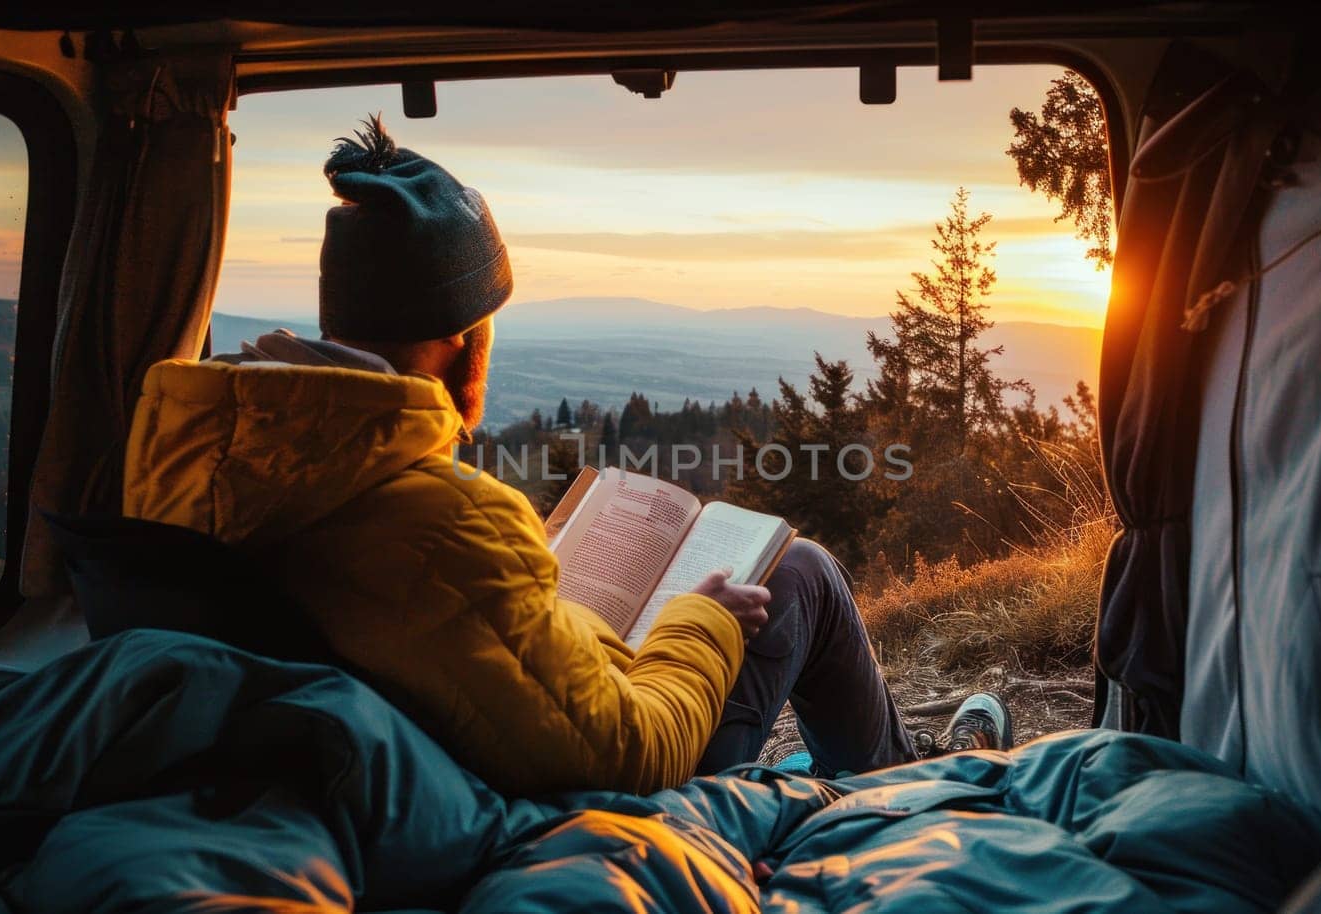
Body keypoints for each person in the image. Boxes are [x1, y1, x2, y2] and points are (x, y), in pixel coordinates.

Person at [122, 115, 1012, 795]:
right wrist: (691, 622)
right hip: (557, 803)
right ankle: (904, 787)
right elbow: (632, 753)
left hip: (383, 772)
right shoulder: (436, 519)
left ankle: (894, 768)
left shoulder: (188, 454)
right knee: (805, 573)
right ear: (467, 339)